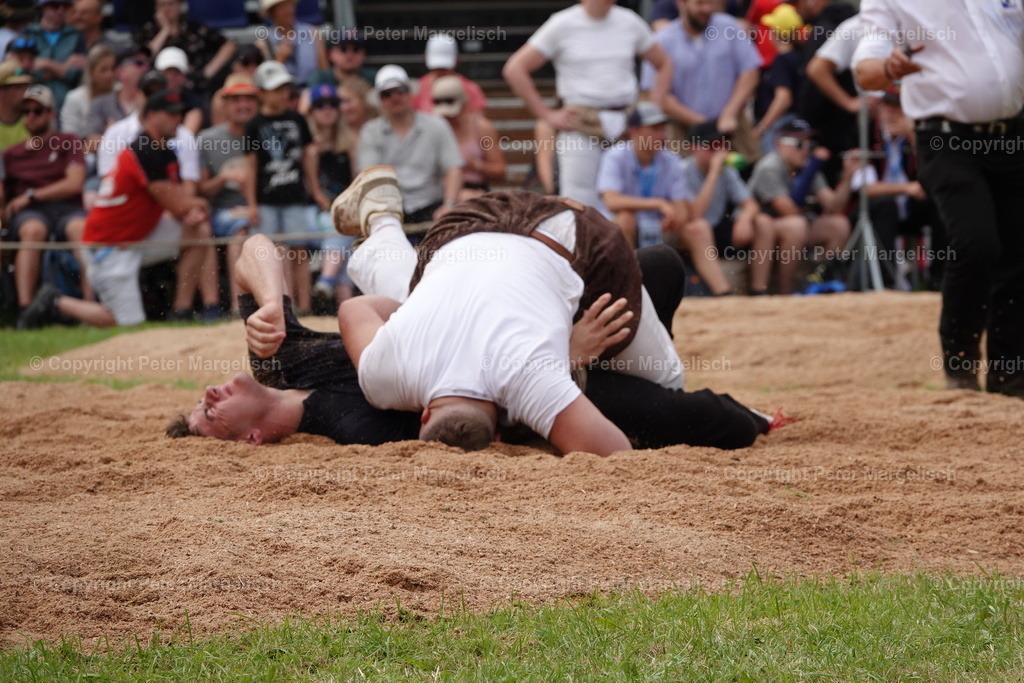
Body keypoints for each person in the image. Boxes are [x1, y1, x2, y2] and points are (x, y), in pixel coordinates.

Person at [167, 231, 775, 450]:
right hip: (533, 378)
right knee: (697, 416)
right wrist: (562, 355)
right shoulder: (354, 429)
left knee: (659, 265)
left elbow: (251, 247)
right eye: (207, 417)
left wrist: (270, 298)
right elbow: (475, 423)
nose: (209, 396)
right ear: (247, 440)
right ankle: (759, 418)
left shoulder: (279, 359)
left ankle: (649, 362)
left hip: (493, 331)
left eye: (199, 400)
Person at [334, 168, 689, 455]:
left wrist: (553, 364)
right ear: (424, 413)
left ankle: (383, 222)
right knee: (416, 288)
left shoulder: (529, 385)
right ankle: (381, 219)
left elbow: (618, 454)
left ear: (499, 437)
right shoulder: (383, 379)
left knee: (669, 384)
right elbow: (353, 308)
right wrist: (421, 310)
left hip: (570, 238)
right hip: (462, 224)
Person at [854, 0, 1024, 397]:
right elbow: (865, 70)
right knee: (975, 242)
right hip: (946, 139)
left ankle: (1010, 376)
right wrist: (890, 69)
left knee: (1018, 254)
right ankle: (961, 367)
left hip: (1013, 135)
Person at [16, 90, 212, 329]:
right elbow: (179, 203)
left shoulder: (164, 150)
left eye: (179, 114)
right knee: (126, 326)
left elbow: (177, 205)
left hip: (137, 236)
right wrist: (198, 205)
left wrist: (189, 210)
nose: (177, 119)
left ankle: (181, 311)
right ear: (151, 115)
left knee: (198, 232)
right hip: (109, 247)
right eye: (170, 114)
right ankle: (55, 302)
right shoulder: (144, 149)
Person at [503, 0, 672, 209]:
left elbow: (664, 63)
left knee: (625, 196)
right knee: (578, 197)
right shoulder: (562, 23)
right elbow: (515, 68)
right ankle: (580, 241)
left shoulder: (629, 20)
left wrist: (651, 112)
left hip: (626, 121)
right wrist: (546, 114)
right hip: (581, 121)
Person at [4, 84, 87, 325]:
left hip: (65, 208)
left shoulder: (68, 141)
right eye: (26, 111)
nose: (30, 116)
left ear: (52, 114)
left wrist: (32, 195)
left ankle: (90, 305)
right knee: (33, 231)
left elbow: (75, 183)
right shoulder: (11, 154)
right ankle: (27, 310)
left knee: (81, 229)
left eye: (37, 111)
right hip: (29, 215)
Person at [641, 0, 763, 161]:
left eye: (710, 3)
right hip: (682, 129)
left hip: (730, 125)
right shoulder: (662, 40)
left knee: (747, 169)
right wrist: (703, 124)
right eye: (699, 3)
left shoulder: (729, 27)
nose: (706, 9)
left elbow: (750, 72)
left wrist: (729, 113)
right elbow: (656, 93)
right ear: (681, 3)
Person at [747, 118, 854, 294]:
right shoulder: (770, 166)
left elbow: (833, 207)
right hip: (762, 228)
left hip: (793, 226)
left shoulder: (806, 165)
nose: (805, 150)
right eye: (799, 144)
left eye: (809, 145)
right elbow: (788, 210)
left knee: (838, 225)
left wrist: (848, 178)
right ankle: (786, 292)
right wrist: (811, 169)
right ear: (779, 144)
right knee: (796, 225)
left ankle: (817, 279)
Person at [244, 59, 316, 313]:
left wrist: (315, 191)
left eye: (284, 88)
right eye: (275, 89)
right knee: (271, 255)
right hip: (266, 200)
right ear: (261, 93)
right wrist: (251, 203)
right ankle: (282, 306)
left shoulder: (297, 119)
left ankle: (305, 306)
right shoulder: (254, 126)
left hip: (295, 196)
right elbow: (251, 167)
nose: (282, 94)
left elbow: (307, 157)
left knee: (299, 252)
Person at [680, 122, 777, 296]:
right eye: (712, 146)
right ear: (694, 147)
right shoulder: (682, 171)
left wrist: (745, 218)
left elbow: (750, 204)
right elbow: (694, 214)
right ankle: (724, 293)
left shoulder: (728, 171)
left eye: (723, 145)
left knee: (763, 221)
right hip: (690, 235)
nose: (719, 151)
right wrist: (713, 174)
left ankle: (758, 290)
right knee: (698, 227)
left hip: (717, 229)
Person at [357, 65, 463, 223]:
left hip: (433, 206)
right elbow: (369, 177)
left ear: (410, 93)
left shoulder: (437, 125)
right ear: (380, 100)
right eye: (387, 94)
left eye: (400, 90)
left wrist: (449, 205)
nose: (395, 97)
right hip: (388, 211)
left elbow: (454, 168)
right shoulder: (370, 131)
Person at [198, 74, 260, 312]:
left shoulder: (267, 135)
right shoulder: (207, 139)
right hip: (224, 211)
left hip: (260, 209)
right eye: (236, 100)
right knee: (239, 231)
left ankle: (287, 305)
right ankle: (239, 306)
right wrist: (223, 178)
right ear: (224, 104)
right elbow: (201, 190)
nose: (243, 105)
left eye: (249, 99)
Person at [596, 101, 691, 249]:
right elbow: (611, 201)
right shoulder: (615, 156)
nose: (662, 135)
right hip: (628, 229)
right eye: (655, 129)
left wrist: (674, 217)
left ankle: (705, 272)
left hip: (660, 228)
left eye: (663, 129)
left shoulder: (672, 159)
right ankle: (630, 271)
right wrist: (659, 203)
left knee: (698, 228)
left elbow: (683, 208)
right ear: (634, 131)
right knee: (625, 219)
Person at [431, 75, 505, 201]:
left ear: (464, 104)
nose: (448, 118)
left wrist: (474, 165)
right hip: (437, 194)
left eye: (452, 114)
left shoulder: (481, 127)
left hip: (474, 190)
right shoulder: (432, 127)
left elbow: (501, 171)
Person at [134, 0, 235, 93]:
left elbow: (229, 45)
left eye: (170, 4)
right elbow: (143, 58)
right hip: (158, 86)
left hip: (195, 85)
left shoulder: (194, 29)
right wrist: (165, 30)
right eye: (162, 5)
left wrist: (207, 72)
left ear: (180, 4)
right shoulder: (148, 31)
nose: (167, 9)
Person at [752, 3, 805, 154]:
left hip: (780, 126)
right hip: (794, 125)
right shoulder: (799, 57)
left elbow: (783, 99)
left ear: (777, 32)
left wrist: (761, 128)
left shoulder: (782, 60)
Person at [21, 0, 87, 113]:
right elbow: (26, 71)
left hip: (66, 104)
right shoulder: (28, 33)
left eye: (65, 6)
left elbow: (75, 73)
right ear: (42, 7)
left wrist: (45, 64)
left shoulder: (76, 35)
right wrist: (62, 67)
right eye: (55, 5)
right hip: (34, 106)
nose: (60, 10)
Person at [411, 34, 487, 115]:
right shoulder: (417, 90)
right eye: (436, 68)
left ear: (457, 60)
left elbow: (479, 120)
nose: (440, 72)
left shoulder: (471, 89)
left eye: (444, 68)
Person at [255, 0, 327, 86]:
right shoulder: (264, 42)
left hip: (311, 90)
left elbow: (324, 70)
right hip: (283, 94)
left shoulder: (312, 32)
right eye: (282, 7)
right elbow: (266, 78)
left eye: (290, 5)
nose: (289, 10)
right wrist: (280, 59)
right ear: (272, 13)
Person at [85, 46, 149, 138]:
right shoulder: (100, 104)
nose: (145, 68)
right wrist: (111, 134)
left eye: (148, 63)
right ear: (120, 71)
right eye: (139, 63)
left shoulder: (152, 104)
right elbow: (90, 144)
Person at [59, 42, 114, 140]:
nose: (109, 75)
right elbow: (70, 138)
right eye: (103, 70)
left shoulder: (120, 94)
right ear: (91, 72)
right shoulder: (75, 98)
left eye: (112, 69)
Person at [153, 47, 203, 134]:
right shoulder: (147, 99)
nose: (171, 78)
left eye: (176, 73)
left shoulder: (193, 104)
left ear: (184, 76)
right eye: (167, 72)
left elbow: (185, 141)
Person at [306, 29, 374, 91]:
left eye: (356, 49)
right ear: (330, 54)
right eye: (343, 49)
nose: (350, 54)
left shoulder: (373, 78)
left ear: (363, 54)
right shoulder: (319, 79)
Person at [0, 58, 32, 152]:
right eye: (18, 87)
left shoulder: (34, 117)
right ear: (1, 91)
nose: (25, 92)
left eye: (25, 86)